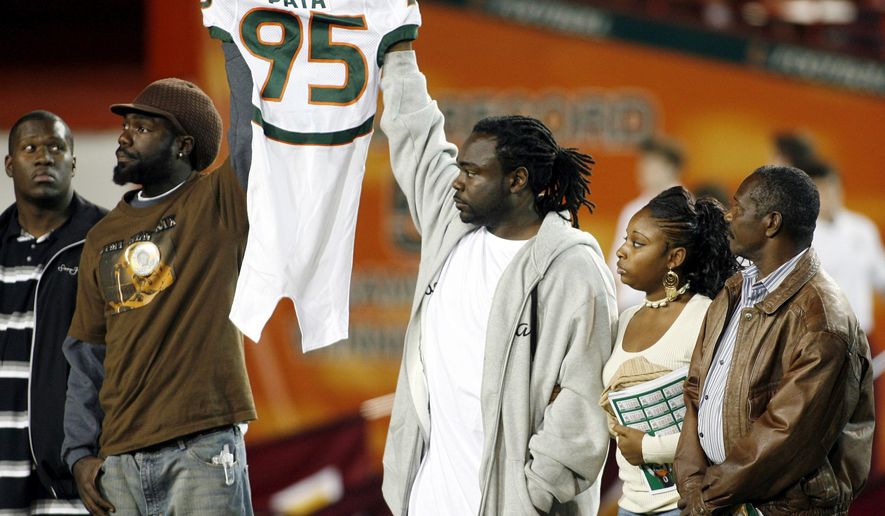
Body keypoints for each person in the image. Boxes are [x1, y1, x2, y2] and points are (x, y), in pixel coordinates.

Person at [378, 41, 618, 515]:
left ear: (517, 180)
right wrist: (398, 47)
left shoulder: (572, 269)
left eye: (472, 171)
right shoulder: (452, 227)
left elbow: (585, 399)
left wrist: (534, 496)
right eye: (460, 169)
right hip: (427, 502)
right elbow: (416, 136)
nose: (456, 181)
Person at [61, 77, 256, 515]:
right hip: (119, 462)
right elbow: (87, 356)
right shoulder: (101, 236)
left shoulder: (218, 201)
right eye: (125, 125)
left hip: (202, 448)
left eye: (143, 128)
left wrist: (235, 39)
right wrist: (79, 453)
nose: (125, 135)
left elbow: (250, 134)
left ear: (183, 145)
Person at [675, 165, 875, 515]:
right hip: (721, 501)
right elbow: (696, 391)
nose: (727, 216)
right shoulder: (735, 289)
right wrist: (692, 484)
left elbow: (785, 436)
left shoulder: (823, 320)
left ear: (771, 223)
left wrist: (705, 498)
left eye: (737, 208)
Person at [602, 186, 737, 516]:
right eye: (625, 240)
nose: (621, 251)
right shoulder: (625, 319)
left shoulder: (705, 316)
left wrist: (648, 448)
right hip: (630, 505)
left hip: (687, 506)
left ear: (674, 258)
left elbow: (726, 426)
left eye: (638, 243)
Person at [1, 111, 106, 515]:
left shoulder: (107, 241)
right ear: (10, 164)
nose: (43, 157)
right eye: (30, 148)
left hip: (72, 482)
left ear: (73, 163)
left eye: (56, 148)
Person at [803, 159, 885, 336]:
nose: (830, 195)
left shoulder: (862, 228)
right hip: (821, 338)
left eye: (834, 187)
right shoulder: (802, 236)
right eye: (823, 189)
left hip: (863, 337)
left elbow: (881, 276)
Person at [608, 137, 684, 312]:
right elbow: (615, 264)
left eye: (653, 164)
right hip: (627, 308)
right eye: (643, 163)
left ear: (671, 168)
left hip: (668, 307)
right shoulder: (631, 209)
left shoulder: (687, 209)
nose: (645, 170)